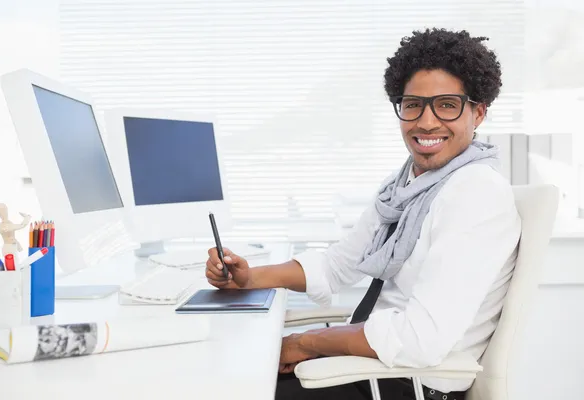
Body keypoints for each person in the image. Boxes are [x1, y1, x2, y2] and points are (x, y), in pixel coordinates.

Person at [205, 28, 521, 400]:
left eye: (447, 105)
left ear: (478, 113)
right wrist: (247, 278)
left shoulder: (474, 193)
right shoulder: (407, 184)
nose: (427, 121)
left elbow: (420, 341)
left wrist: (307, 343)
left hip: (407, 383)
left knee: (222, 386)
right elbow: (340, 264)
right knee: (218, 373)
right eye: (413, 104)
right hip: (369, 367)